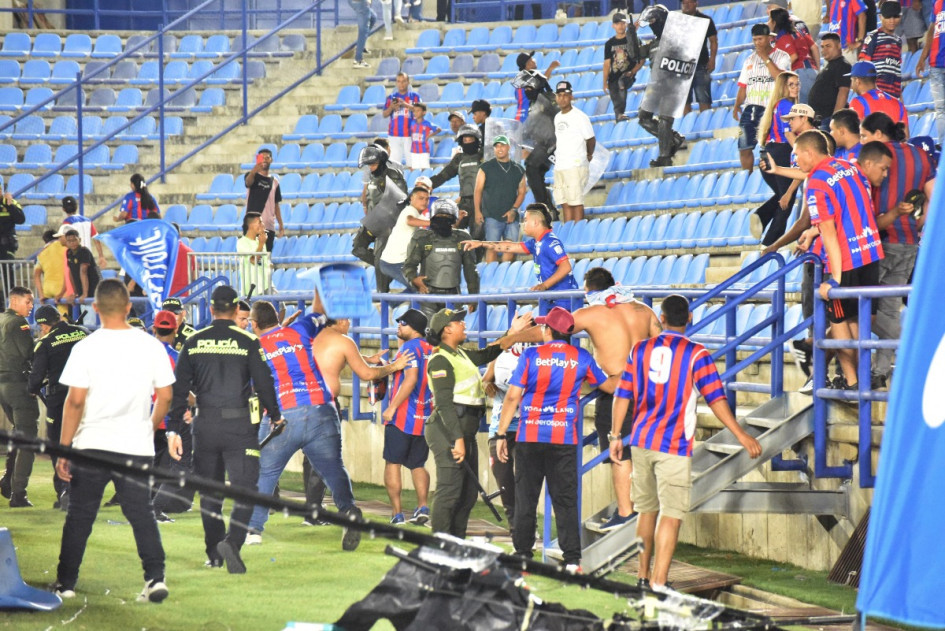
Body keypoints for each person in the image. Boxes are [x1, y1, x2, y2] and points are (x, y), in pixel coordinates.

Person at [610, 295, 762, 589]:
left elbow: (622, 394)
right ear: (689, 319)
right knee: (672, 515)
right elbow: (716, 399)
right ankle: (659, 581)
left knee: (646, 511)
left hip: (641, 440)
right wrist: (741, 434)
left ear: (661, 319)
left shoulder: (639, 349)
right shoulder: (697, 354)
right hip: (674, 445)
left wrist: (616, 436)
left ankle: (642, 577)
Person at [510, 267, 661, 530]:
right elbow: (664, 344)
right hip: (650, 389)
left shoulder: (590, 313)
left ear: (588, 290)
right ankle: (645, 504)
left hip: (617, 390)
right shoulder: (643, 311)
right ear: (614, 284)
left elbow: (553, 331)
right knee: (644, 449)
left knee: (619, 451)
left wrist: (512, 338)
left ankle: (626, 512)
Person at [53, 279, 174, 603]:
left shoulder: (85, 347)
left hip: (92, 444)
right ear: (128, 306)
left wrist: (64, 448)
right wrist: (149, 426)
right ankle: (155, 578)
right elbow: (165, 396)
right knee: (141, 515)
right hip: (135, 444)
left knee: (80, 516)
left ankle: (66, 583)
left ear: (95, 308)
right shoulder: (151, 345)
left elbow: (75, 402)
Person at [247, 298, 384, 548]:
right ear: (278, 318)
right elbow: (319, 312)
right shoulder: (299, 329)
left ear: (253, 324)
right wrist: (319, 289)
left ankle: (254, 529)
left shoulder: (254, 347)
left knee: (266, 472)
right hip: (322, 408)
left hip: (284, 414)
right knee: (333, 468)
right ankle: (349, 512)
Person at [167, 284, 282, 574]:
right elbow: (265, 383)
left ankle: (213, 554)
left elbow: (178, 391)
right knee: (246, 490)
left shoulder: (194, 342)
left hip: (204, 425)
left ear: (210, 309)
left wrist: (173, 430)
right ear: (234, 311)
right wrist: (276, 415)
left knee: (210, 493)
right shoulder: (247, 341)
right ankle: (233, 542)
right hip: (239, 425)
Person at [497, 307, 617, 571]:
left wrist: (500, 433)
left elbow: (512, 397)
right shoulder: (581, 357)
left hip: (530, 436)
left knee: (526, 497)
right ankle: (572, 559)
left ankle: (523, 555)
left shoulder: (530, 355)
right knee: (565, 499)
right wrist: (626, 376)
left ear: (547, 330)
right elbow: (608, 386)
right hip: (563, 438)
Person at [424, 307, 528, 538]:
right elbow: (443, 404)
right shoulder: (440, 360)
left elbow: (488, 353)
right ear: (447, 329)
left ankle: (456, 542)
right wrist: (457, 439)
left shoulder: (459, 354)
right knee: (450, 490)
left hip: (464, 430)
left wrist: (511, 332)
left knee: (468, 493)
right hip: (448, 431)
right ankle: (439, 545)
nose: (464, 324)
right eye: (459, 321)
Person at [796, 130, 885, 390]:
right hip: (870, 250)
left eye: (798, 156)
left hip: (845, 259)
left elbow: (831, 233)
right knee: (859, 319)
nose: (797, 161)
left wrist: (835, 279)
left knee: (840, 321)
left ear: (809, 153)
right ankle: (860, 380)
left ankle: (853, 380)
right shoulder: (851, 165)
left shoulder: (816, 181)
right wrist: (814, 229)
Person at [859, 113, 936, 385]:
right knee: (890, 309)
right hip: (908, 242)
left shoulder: (874, 156)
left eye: (864, 135)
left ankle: (916, 347)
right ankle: (880, 373)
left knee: (859, 306)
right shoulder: (921, 157)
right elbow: (935, 197)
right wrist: (918, 225)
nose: (862, 140)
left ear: (879, 134)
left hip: (877, 241)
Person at [463, 203, 577, 315]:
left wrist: (544, 285)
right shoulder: (536, 242)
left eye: (526, 220)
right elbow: (509, 247)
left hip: (564, 300)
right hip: (550, 298)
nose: (523, 224)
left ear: (535, 222)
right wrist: (481, 243)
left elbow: (566, 267)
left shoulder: (550, 242)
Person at [28, 305, 88, 510]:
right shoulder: (83, 333)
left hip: (60, 400)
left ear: (44, 325)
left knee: (59, 445)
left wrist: (32, 388)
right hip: (88, 397)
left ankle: (65, 490)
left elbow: (36, 378)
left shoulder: (44, 343)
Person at [381, 308, 433, 525]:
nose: (398, 326)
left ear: (414, 327)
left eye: (402, 323)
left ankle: (397, 513)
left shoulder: (409, 348)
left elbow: (410, 379)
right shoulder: (431, 349)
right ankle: (422, 506)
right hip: (424, 416)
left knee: (393, 463)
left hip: (402, 416)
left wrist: (392, 407)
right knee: (418, 464)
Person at [402, 198, 480, 321]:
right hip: (428, 296)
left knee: (452, 336)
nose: (443, 218)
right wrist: (414, 279)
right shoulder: (422, 238)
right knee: (429, 335)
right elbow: (409, 265)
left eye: (446, 215)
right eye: (440, 215)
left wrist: (473, 296)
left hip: (454, 296)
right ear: (433, 217)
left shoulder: (462, 238)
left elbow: (471, 270)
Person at [482, 341, 532, 529]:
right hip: (499, 427)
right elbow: (486, 381)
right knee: (504, 482)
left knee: (524, 480)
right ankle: (515, 529)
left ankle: (528, 528)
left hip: (525, 427)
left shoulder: (536, 352)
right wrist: (490, 384)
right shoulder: (501, 354)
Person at [734, 24, 793, 171]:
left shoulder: (782, 56)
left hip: (771, 109)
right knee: (744, 147)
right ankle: (746, 176)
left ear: (769, 38)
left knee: (769, 147)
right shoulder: (749, 60)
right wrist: (736, 105)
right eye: (754, 40)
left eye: (760, 39)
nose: (757, 43)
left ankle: (772, 173)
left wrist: (766, 58)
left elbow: (781, 78)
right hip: (750, 109)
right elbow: (743, 86)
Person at [637, 4, 688, 168]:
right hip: (656, 84)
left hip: (673, 84)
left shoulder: (676, 40)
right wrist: (631, 33)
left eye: (653, 22)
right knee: (643, 118)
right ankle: (673, 139)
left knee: (664, 120)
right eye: (650, 23)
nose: (652, 26)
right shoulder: (652, 44)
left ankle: (665, 156)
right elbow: (634, 54)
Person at [352, 144, 408, 294]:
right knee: (357, 247)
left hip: (388, 223)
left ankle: (382, 293)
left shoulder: (393, 175)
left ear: (382, 161)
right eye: (369, 164)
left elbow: (401, 199)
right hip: (373, 221)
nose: (371, 167)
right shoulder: (371, 176)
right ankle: (388, 270)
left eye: (374, 164)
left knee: (379, 258)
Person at [751, 72, 800, 242]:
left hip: (767, 152)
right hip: (780, 153)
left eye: (797, 84)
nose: (795, 88)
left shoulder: (776, 105)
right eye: (791, 85)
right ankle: (769, 243)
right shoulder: (787, 105)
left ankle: (761, 216)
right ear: (782, 87)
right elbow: (788, 134)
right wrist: (802, 152)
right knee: (787, 200)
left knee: (782, 196)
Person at [0, 286, 37, 507]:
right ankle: (18, 493)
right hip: (17, 384)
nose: (31, 305)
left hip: (2, 385)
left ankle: (6, 481)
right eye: (28, 301)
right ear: (14, 300)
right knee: (28, 438)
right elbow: (29, 353)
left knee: (19, 432)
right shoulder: (19, 323)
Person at [474, 136, 526, 264]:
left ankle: (505, 277)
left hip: (511, 215)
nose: (499, 148)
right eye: (496, 146)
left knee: (510, 247)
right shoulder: (485, 167)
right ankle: (491, 279)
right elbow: (477, 190)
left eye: (502, 145)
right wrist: (477, 211)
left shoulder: (518, 169)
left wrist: (514, 209)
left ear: (508, 147)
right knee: (492, 247)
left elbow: (522, 191)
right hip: (491, 214)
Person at [552, 81, 595, 222]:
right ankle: (569, 234)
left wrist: (588, 155)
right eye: (559, 95)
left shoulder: (580, 116)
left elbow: (591, 139)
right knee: (564, 202)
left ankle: (578, 234)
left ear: (571, 97)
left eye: (565, 95)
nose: (562, 98)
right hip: (560, 165)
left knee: (576, 202)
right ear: (556, 97)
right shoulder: (557, 117)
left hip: (575, 164)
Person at [430, 124, 484, 236]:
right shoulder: (459, 159)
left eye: (471, 139)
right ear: (461, 141)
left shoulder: (484, 155)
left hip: (482, 202)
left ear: (477, 140)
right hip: (464, 202)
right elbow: (443, 175)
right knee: (452, 232)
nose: (468, 142)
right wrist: (428, 185)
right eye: (465, 139)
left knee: (477, 236)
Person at [378, 187, 430, 290]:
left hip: (399, 262)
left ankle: (388, 305)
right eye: (421, 198)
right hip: (393, 262)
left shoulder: (420, 216)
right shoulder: (410, 210)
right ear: (411, 199)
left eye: (427, 199)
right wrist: (432, 223)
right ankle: (387, 305)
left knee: (419, 287)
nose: (424, 201)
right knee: (418, 286)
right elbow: (410, 220)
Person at [602, 12, 646, 122]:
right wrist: (604, 82)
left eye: (623, 23)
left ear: (626, 24)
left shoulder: (633, 39)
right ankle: (619, 116)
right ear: (613, 25)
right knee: (614, 90)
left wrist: (633, 71)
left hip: (628, 75)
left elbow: (642, 59)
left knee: (621, 82)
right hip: (614, 76)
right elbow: (607, 64)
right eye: (617, 23)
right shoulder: (609, 44)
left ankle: (621, 113)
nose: (620, 26)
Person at [770, 8, 818, 104]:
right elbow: (815, 47)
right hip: (812, 71)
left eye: (769, 20)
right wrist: (817, 69)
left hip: (800, 74)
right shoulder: (799, 32)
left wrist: (781, 73)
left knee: (803, 111)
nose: (768, 23)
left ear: (774, 22)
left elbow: (794, 56)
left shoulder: (783, 38)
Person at [847, 61, 909, 132]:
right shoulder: (898, 103)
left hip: (872, 143)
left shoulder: (857, 102)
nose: (851, 85)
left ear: (857, 81)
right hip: (894, 143)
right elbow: (905, 137)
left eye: (851, 80)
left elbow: (854, 134)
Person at [681, 0, 719, 115]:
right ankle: (687, 129)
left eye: (689, 2)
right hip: (682, 66)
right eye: (684, 3)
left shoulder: (705, 19)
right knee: (683, 101)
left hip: (701, 64)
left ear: (696, 3)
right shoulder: (678, 21)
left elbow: (713, 41)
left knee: (704, 99)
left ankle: (705, 125)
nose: (686, 5)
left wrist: (712, 59)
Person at [859, 1, 904, 98]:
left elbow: (896, 69)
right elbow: (863, 64)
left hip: (893, 94)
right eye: (888, 17)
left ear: (900, 17)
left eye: (895, 17)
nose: (892, 20)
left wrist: (900, 98)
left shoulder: (898, 41)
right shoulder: (873, 36)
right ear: (880, 17)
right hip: (876, 94)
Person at [809, 33, 853, 129]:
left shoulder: (843, 65)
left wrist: (835, 119)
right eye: (822, 47)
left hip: (828, 119)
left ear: (839, 46)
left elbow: (843, 92)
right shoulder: (829, 65)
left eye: (828, 46)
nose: (824, 50)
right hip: (820, 119)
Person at [243, 149, 284, 253]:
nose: (265, 160)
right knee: (252, 257)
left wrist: (281, 225)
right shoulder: (252, 176)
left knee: (265, 258)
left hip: (269, 227)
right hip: (252, 225)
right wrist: (254, 170)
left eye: (267, 157)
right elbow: (248, 182)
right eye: (262, 158)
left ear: (271, 160)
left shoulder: (274, 182)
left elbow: (276, 205)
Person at [916, 0, 945, 147]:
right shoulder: (938, 3)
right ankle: (943, 143)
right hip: (935, 64)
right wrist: (923, 58)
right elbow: (932, 30)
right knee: (940, 109)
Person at [383, 73, 422, 166]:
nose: (401, 84)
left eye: (404, 81)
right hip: (394, 135)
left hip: (410, 134)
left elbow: (420, 110)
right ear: (396, 83)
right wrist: (391, 107)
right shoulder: (391, 97)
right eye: (399, 81)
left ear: (408, 82)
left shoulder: (415, 96)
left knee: (412, 164)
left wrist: (405, 104)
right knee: (393, 166)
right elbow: (385, 114)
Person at [59, 196, 107, 270]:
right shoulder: (87, 220)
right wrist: (101, 256)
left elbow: (63, 241)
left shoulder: (67, 222)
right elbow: (96, 238)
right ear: (76, 207)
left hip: (77, 258)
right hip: (89, 258)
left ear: (63, 209)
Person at [514, 52, 561, 122]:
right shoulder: (528, 77)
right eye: (531, 59)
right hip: (530, 118)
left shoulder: (519, 79)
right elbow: (541, 82)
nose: (534, 60)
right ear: (527, 64)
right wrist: (551, 68)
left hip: (519, 117)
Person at [33, 229, 67, 313]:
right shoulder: (65, 248)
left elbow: (36, 275)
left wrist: (41, 294)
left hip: (47, 289)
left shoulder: (41, 253)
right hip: (62, 288)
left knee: (49, 318)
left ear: (45, 241)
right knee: (64, 319)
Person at [63, 229, 101, 306]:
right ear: (66, 242)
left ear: (79, 240)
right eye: (69, 241)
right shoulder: (69, 253)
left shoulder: (84, 251)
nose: (72, 243)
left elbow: (83, 272)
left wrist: (85, 293)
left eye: (74, 240)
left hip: (93, 289)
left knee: (92, 314)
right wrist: (76, 292)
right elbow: (71, 272)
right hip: (81, 291)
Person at [236, 212, 269, 297]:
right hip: (254, 287)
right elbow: (253, 260)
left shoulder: (260, 242)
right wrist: (261, 244)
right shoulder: (241, 242)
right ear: (250, 225)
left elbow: (263, 262)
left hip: (266, 283)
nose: (262, 225)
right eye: (259, 222)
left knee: (281, 307)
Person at [0, 187, 24, 306]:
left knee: (8, 274)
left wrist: (9, 205)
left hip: (6, 246)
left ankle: (12, 304)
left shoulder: (11, 202)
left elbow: (20, 219)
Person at [407, 102, 440, 170]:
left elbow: (438, 129)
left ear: (424, 112)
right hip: (414, 150)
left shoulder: (427, 123)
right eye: (414, 111)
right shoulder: (412, 123)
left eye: (418, 110)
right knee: (414, 169)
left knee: (424, 169)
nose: (415, 113)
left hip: (424, 150)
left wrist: (429, 136)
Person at [349, 0, 374, 68]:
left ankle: (360, 45)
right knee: (363, 30)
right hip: (361, 3)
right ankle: (358, 60)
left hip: (359, 3)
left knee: (373, 17)